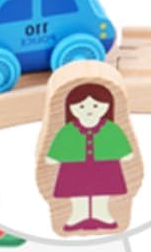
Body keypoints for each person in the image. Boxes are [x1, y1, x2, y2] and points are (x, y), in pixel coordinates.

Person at [44, 82, 134, 231]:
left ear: (107, 105)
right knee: (77, 194)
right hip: (75, 167)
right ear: (71, 107)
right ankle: (78, 216)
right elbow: (61, 142)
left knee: (102, 193)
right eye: (81, 106)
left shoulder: (110, 128)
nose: (89, 110)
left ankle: (101, 215)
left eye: (95, 105)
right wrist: (54, 156)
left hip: (104, 166)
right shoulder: (69, 129)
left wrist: (125, 153)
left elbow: (118, 140)